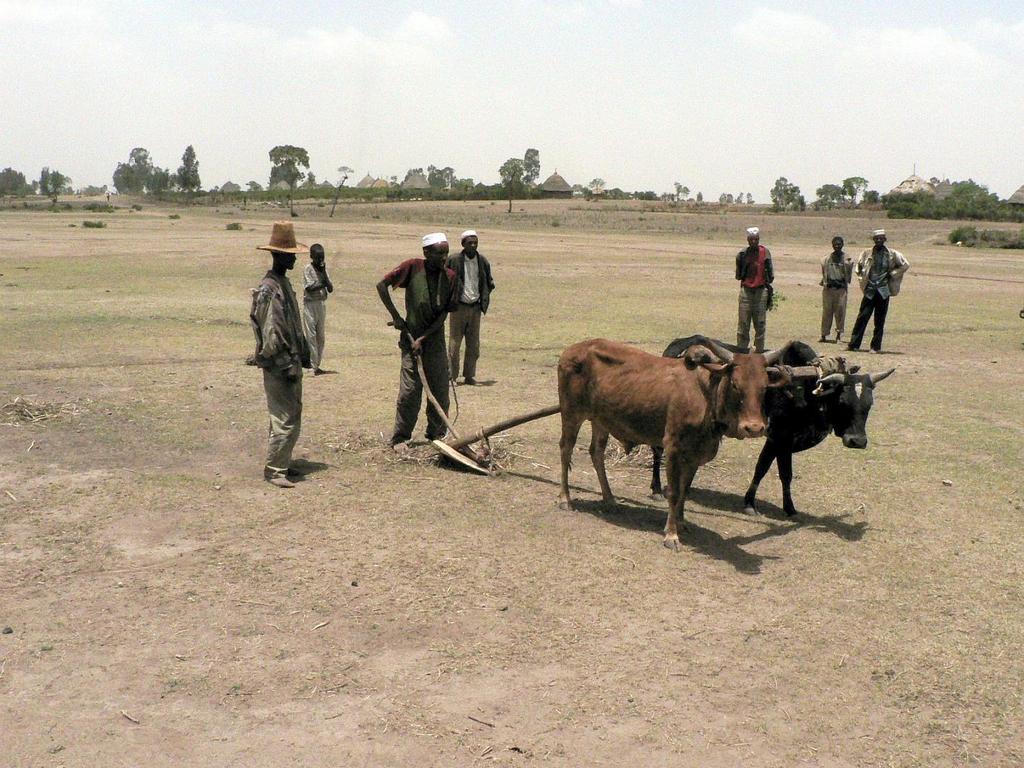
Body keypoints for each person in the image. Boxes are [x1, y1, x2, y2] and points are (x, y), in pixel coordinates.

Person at [376, 232, 460, 449]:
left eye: (446, 253)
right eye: (439, 253)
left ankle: (436, 435)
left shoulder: (450, 277)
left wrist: (424, 338)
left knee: (440, 391)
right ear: (426, 253)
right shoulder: (412, 267)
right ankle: (401, 437)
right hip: (410, 340)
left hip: (434, 341)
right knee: (410, 392)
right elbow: (381, 285)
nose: (443, 258)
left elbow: (443, 315)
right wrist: (396, 317)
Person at [249, 222, 311, 488]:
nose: (294, 258)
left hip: (289, 359)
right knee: (284, 417)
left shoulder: (281, 283)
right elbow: (272, 331)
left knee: (289, 414)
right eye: (291, 254)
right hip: (280, 362)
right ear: (279, 255)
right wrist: (285, 362)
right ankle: (275, 470)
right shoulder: (270, 288)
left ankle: (282, 462)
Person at [847, 229, 910, 353]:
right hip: (869, 290)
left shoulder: (892, 254)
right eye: (877, 238)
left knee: (879, 320)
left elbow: (905, 265)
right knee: (862, 317)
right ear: (873, 240)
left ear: (885, 239)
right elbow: (858, 268)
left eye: (881, 238)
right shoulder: (866, 253)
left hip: (883, 291)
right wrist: (863, 279)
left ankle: (875, 347)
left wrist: (893, 274)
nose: (879, 240)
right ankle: (853, 345)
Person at [446, 230, 495, 385]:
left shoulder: (482, 261)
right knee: (454, 343)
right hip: (458, 307)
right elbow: (444, 279)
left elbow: (489, 282)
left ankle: (469, 375)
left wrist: (483, 299)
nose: (473, 245)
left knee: (473, 345)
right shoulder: (453, 260)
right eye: (469, 243)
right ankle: (451, 376)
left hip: (475, 308)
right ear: (463, 244)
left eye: (475, 242)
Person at [735, 226, 775, 352]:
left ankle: (758, 352)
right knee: (743, 324)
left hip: (761, 292)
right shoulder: (742, 254)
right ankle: (741, 352)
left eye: (756, 239)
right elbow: (738, 275)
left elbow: (771, 275)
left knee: (760, 324)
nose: (754, 242)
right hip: (746, 292)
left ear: (759, 239)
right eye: (751, 239)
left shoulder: (765, 253)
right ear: (748, 239)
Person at [302, 243, 333, 375]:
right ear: (311, 256)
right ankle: (312, 365)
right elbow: (309, 287)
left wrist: (324, 274)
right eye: (318, 258)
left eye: (322, 258)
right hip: (310, 304)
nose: (320, 261)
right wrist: (323, 283)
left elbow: (330, 288)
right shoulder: (308, 269)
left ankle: (317, 364)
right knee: (311, 335)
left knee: (320, 336)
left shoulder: (323, 270)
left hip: (321, 304)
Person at [819, 236, 854, 343]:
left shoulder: (847, 259)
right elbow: (824, 273)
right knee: (826, 313)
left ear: (842, 245)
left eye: (839, 244)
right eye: (835, 244)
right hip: (828, 289)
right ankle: (824, 334)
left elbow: (848, 275)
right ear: (832, 245)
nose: (837, 246)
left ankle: (839, 334)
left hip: (841, 289)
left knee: (840, 312)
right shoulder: (826, 259)